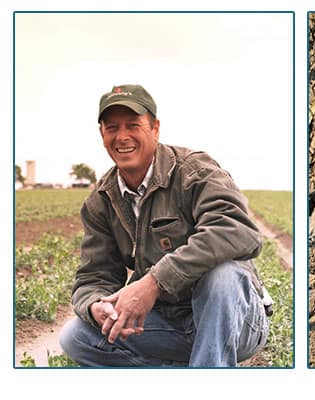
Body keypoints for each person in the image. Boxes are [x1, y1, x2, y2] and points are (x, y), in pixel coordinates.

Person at [59, 84, 270, 367]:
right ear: (102, 134)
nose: (122, 137)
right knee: (77, 337)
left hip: (235, 320)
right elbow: (94, 275)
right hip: (170, 323)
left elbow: (238, 231)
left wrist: (155, 281)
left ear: (155, 128)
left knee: (222, 276)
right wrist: (96, 304)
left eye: (133, 125)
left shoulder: (194, 171)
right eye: (112, 128)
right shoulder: (101, 201)